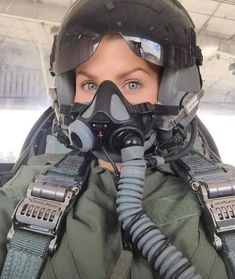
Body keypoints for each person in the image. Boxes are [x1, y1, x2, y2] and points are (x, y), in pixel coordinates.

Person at [0, 0, 232, 278]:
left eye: (132, 84)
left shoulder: (227, 194)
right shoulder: (25, 190)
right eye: (89, 84)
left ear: (173, 91)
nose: (105, 106)